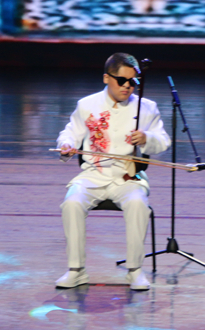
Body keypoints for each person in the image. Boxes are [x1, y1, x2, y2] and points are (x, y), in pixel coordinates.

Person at [55, 53, 171, 290]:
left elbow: (163, 140)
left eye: (133, 81)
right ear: (107, 78)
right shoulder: (87, 105)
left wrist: (147, 138)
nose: (127, 86)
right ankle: (76, 270)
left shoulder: (147, 107)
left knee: (138, 205)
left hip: (128, 178)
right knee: (71, 203)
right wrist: (66, 145)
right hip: (92, 175)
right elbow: (70, 133)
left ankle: (135, 271)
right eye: (121, 80)